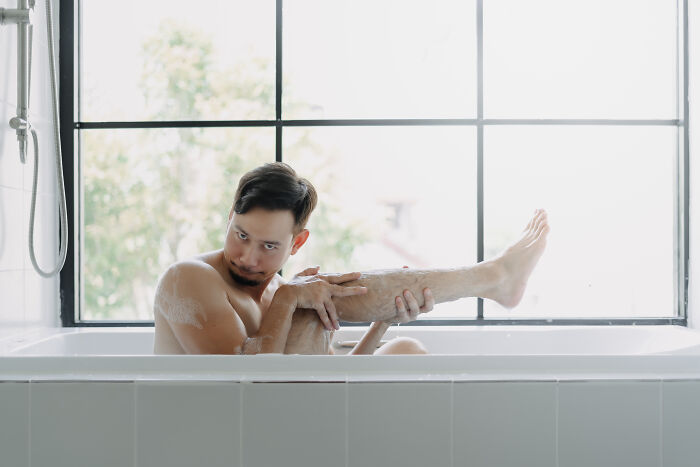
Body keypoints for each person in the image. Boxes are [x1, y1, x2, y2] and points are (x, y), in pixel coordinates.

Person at [153, 162, 549, 355]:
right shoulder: (188, 279)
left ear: (297, 243)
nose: (248, 257)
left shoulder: (276, 287)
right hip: (223, 438)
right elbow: (245, 391)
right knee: (306, 295)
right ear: (229, 219)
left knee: (405, 349)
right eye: (241, 235)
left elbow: (330, 381)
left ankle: (493, 279)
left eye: (269, 246)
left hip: (282, 425)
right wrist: (291, 299)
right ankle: (492, 277)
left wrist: (382, 322)